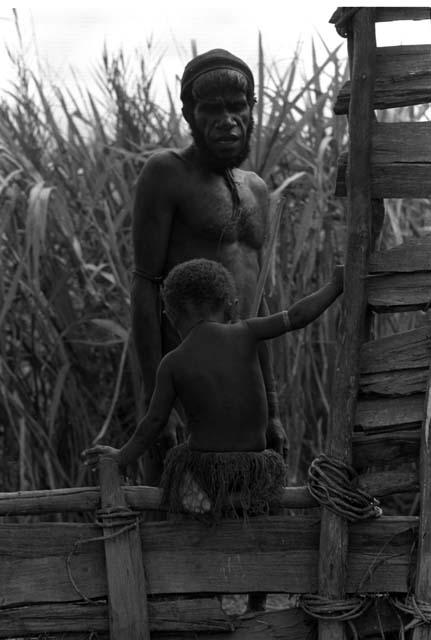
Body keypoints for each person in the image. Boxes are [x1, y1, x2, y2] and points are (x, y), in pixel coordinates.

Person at [84, 258, 344, 519]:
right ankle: (247, 503)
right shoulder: (248, 331)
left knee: (178, 458)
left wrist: (121, 457)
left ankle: (203, 505)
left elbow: (153, 422)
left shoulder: (172, 363)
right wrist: (334, 286)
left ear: (170, 316)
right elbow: (297, 316)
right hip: (255, 468)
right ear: (231, 307)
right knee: (269, 471)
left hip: (205, 472)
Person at [132, 48, 286, 486]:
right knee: (176, 511)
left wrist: (272, 409)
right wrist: (157, 406)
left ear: (252, 110)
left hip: (245, 394)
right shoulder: (166, 174)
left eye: (237, 107)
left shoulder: (257, 190)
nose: (227, 120)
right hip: (186, 386)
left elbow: (257, 308)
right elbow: (145, 288)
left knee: (249, 511)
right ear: (188, 114)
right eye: (212, 109)